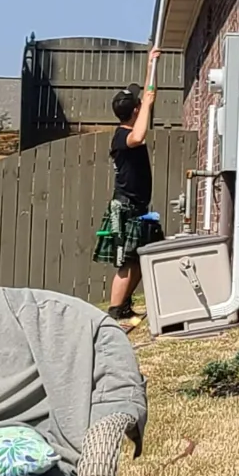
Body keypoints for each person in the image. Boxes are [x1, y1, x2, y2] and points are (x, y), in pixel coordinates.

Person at [94, 47, 163, 327]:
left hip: (136, 207)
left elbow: (147, 96)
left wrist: (151, 67)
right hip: (125, 208)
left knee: (138, 260)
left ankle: (124, 307)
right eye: (140, 105)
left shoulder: (128, 128)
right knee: (126, 262)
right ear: (134, 110)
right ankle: (114, 312)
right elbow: (139, 135)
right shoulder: (123, 137)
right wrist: (145, 105)